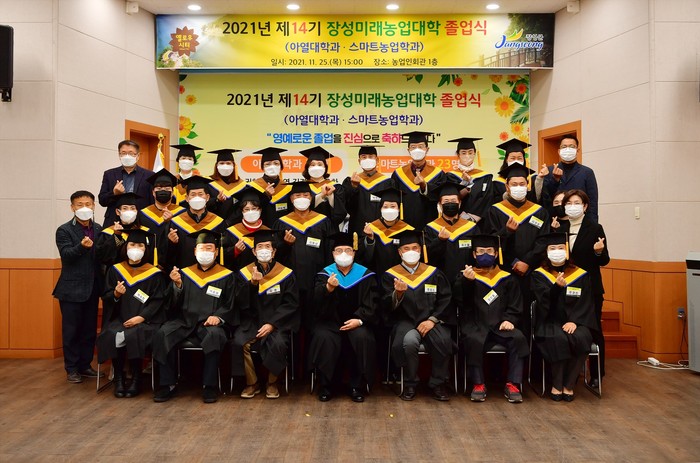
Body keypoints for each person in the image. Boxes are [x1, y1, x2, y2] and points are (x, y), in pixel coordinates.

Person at [153, 230, 235, 403]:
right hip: (184, 321)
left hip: (209, 323)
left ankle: (209, 386)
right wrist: (177, 285)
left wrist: (219, 317)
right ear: (195, 251)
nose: (205, 252)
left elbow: (231, 304)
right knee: (163, 333)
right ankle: (168, 384)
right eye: (201, 248)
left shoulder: (227, 275)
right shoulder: (184, 274)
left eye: (209, 248)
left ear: (216, 252)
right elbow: (170, 305)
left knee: (215, 335)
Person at [453, 234, 528, 403]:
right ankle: (478, 384)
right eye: (480, 251)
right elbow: (461, 302)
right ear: (474, 254)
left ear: (496, 254)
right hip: (476, 324)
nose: (485, 254)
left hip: (501, 325)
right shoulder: (466, 276)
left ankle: (513, 384)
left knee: (518, 338)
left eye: (489, 251)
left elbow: (515, 304)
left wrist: (510, 319)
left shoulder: (507, 278)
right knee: (473, 339)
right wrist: (467, 282)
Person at [381, 230, 453, 402]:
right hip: (405, 322)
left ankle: (438, 383)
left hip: (431, 321)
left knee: (443, 340)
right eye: (406, 248)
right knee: (409, 342)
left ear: (421, 250)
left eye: (415, 248)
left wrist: (432, 320)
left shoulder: (433, 273)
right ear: (400, 252)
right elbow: (385, 306)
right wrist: (398, 294)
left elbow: (446, 300)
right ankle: (410, 383)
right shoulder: (391, 275)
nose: (411, 251)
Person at [97, 229, 166, 398]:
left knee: (135, 334)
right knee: (113, 333)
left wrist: (141, 317)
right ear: (126, 247)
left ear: (146, 249)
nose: (136, 249)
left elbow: (158, 301)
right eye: (132, 245)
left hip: (145, 321)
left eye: (140, 245)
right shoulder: (115, 270)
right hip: (120, 318)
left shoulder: (154, 274)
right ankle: (119, 378)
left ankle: (136, 379)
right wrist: (115, 294)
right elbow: (106, 296)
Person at [309, 232, 378, 402]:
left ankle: (356, 386)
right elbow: (314, 304)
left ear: (354, 253)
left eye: (348, 250)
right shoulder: (325, 275)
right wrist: (328, 289)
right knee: (324, 336)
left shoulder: (366, 274)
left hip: (356, 322)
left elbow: (372, 303)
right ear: (333, 254)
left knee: (362, 336)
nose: (344, 254)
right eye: (339, 250)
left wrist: (359, 320)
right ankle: (326, 386)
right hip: (329, 322)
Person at [484, 163, 550, 336]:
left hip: (530, 272)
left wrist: (527, 262)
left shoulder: (539, 212)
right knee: (504, 311)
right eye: (514, 184)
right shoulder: (495, 210)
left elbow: (543, 241)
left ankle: (528, 350)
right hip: (505, 271)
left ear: (528, 185)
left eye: (522, 184)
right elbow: (490, 241)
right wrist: (507, 232)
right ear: (507, 186)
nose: (518, 187)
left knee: (528, 314)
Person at [532, 232, 599, 401]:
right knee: (558, 338)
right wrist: (556, 288)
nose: (557, 251)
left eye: (560, 248)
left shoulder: (581, 275)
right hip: (550, 321)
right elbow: (542, 303)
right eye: (552, 248)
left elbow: (586, 302)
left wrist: (575, 321)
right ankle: (557, 384)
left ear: (567, 250)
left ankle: (569, 385)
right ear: (546, 252)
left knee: (583, 337)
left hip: (576, 321)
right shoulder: (539, 275)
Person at [234, 229, 299, 399]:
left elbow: (291, 304)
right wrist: (252, 284)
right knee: (240, 342)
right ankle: (252, 383)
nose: (264, 250)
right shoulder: (245, 273)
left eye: (268, 246)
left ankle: (272, 382)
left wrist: (272, 324)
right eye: (260, 247)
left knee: (278, 343)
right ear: (254, 252)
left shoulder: (286, 274)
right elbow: (240, 303)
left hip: (277, 323)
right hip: (252, 321)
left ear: (274, 251)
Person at [557, 189, 609, 385]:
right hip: (564, 287)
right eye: (569, 203)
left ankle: (596, 374)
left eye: (577, 203)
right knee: (563, 328)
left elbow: (604, 260)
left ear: (585, 206)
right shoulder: (559, 227)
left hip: (590, 288)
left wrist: (598, 252)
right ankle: (566, 372)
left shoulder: (595, 228)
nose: (573, 207)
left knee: (594, 329)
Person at [53, 190, 104, 383]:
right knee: (71, 331)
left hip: (92, 288)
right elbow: (66, 255)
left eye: (88, 204)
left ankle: (85, 365)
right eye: (80, 204)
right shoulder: (64, 230)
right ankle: (72, 368)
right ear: (72, 207)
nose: (84, 208)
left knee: (89, 330)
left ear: (94, 206)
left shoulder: (98, 228)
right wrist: (82, 247)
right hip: (71, 290)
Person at [273, 181, 333, 330]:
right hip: (291, 281)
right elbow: (274, 255)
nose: (302, 198)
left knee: (314, 320)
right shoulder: (282, 223)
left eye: (306, 195)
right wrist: (285, 244)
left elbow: (330, 251)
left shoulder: (323, 221)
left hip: (316, 279)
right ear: (291, 199)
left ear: (311, 198)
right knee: (293, 321)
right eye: (297, 195)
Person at [424, 182, 479, 283]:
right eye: (446, 201)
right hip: (439, 279)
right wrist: (439, 241)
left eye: (453, 201)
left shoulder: (471, 228)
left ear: (460, 203)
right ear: (440, 205)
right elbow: (427, 257)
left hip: (466, 279)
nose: (450, 204)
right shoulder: (430, 228)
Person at [167, 175, 226, 269]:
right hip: (185, 272)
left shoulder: (218, 222)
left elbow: (223, 252)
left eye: (200, 194)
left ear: (207, 197)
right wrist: (172, 243)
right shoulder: (176, 222)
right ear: (187, 198)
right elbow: (168, 256)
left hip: (211, 272)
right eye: (193, 194)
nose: (197, 197)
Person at [391, 131, 445, 230]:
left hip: (430, 225)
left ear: (427, 149)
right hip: (405, 226)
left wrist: (424, 186)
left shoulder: (438, 174)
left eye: (420, 147)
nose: (417, 150)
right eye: (413, 147)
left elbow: (441, 196)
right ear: (408, 150)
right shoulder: (398, 174)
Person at [542, 135, 600, 222]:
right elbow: (546, 198)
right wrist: (555, 180)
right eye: (564, 147)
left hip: (579, 220)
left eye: (572, 147)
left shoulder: (587, 172)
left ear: (577, 150)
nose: (568, 149)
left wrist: (592, 224)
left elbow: (592, 201)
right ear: (559, 151)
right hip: (555, 220)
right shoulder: (549, 171)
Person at [98, 140, 154, 227]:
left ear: (138, 156)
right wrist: (114, 193)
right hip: (114, 221)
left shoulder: (149, 175)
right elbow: (102, 200)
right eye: (123, 153)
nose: (127, 156)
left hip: (140, 222)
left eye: (131, 153)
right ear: (119, 155)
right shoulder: (109, 174)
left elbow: (152, 202)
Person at [342, 145, 392, 236]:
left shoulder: (387, 182)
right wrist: (354, 188)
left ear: (377, 160)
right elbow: (347, 208)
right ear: (359, 161)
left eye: (370, 157)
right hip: (357, 229)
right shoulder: (350, 181)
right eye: (364, 157)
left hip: (381, 230)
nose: (367, 159)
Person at [140, 169, 186, 267]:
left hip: (175, 264)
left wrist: (172, 222)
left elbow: (184, 242)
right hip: (148, 265)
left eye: (167, 188)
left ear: (172, 192)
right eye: (159, 188)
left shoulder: (182, 213)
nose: (163, 190)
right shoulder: (143, 214)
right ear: (153, 192)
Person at [445, 137, 493, 223]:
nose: (467, 155)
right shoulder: (450, 176)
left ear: (475, 153)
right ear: (458, 154)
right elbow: (451, 198)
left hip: (479, 221)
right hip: (456, 221)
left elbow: (486, 199)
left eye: (470, 152)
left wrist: (471, 218)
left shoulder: (485, 177)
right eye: (463, 153)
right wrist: (463, 183)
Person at [299, 146, 348, 229]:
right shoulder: (300, 187)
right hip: (307, 229)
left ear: (325, 167)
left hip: (329, 230)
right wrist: (321, 195)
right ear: (307, 167)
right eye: (312, 165)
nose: (316, 167)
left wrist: (330, 196)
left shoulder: (336, 187)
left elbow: (340, 215)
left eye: (320, 164)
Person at [96, 192, 149, 267]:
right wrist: (116, 236)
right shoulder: (107, 233)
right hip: (116, 271)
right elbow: (103, 257)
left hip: (141, 271)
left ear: (137, 211)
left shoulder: (145, 231)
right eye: (125, 208)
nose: (129, 211)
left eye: (132, 208)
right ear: (118, 212)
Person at [225, 187, 270, 270]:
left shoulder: (268, 232)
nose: (250, 212)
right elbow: (222, 257)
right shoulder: (232, 232)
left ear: (260, 210)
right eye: (247, 209)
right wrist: (235, 250)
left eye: (254, 208)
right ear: (242, 211)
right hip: (240, 276)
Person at [247, 147, 293, 226]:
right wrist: (266, 195)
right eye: (267, 164)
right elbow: (249, 210)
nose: (272, 167)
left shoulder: (288, 188)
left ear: (281, 166)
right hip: (260, 229)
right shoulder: (252, 186)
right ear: (262, 167)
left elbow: (291, 212)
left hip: (282, 230)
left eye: (276, 163)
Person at [491, 138, 541, 205]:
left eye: (519, 158)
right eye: (513, 158)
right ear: (506, 160)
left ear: (524, 160)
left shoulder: (532, 179)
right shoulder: (497, 183)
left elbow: (537, 200)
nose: (516, 161)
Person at [207, 148, 248, 226]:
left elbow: (243, 207)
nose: (225, 166)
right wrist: (216, 200)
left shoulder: (242, 185)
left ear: (234, 165)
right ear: (216, 166)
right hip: (212, 225)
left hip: (235, 226)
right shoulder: (208, 183)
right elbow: (205, 204)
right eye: (221, 163)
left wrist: (228, 222)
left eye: (228, 163)